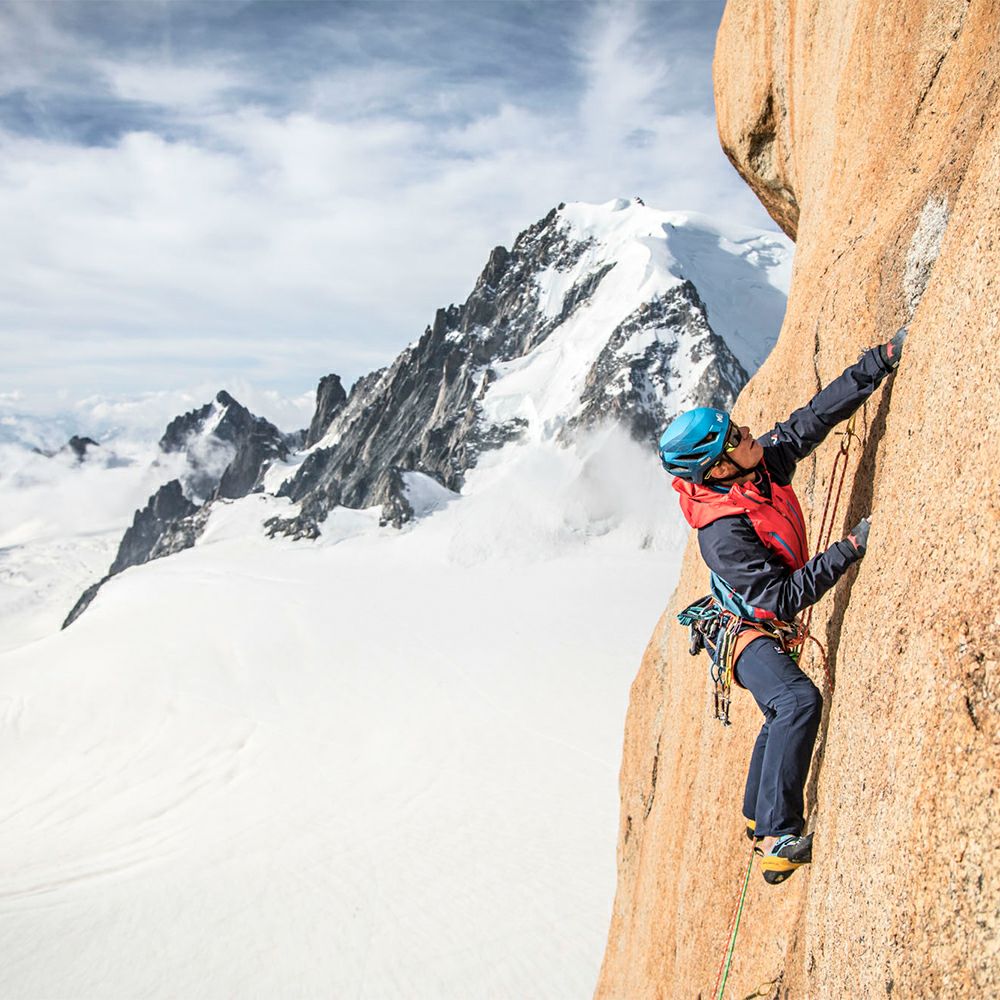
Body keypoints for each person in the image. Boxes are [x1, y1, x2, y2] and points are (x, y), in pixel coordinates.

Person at [657, 327, 906, 883]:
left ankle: (755, 815)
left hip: (758, 617)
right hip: (743, 628)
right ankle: (777, 836)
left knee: (781, 707)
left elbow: (810, 419)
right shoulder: (722, 533)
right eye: (737, 437)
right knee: (796, 701)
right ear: (717, 469)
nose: (750, 434)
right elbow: (780, 597)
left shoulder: (754, 471)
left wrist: (879, 363)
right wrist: (849, 549)